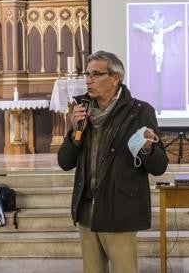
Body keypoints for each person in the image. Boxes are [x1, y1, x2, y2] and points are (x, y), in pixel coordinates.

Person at [58, 51, 168, 273]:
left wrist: (148, 148)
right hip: (87, 209)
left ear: (115, 78)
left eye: (96, 74)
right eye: (87, 74)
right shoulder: (82, 111)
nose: (89, 80)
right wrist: (73, 132)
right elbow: (65, 162)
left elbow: (159, 166)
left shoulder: (139, 112)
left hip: (120, 208)